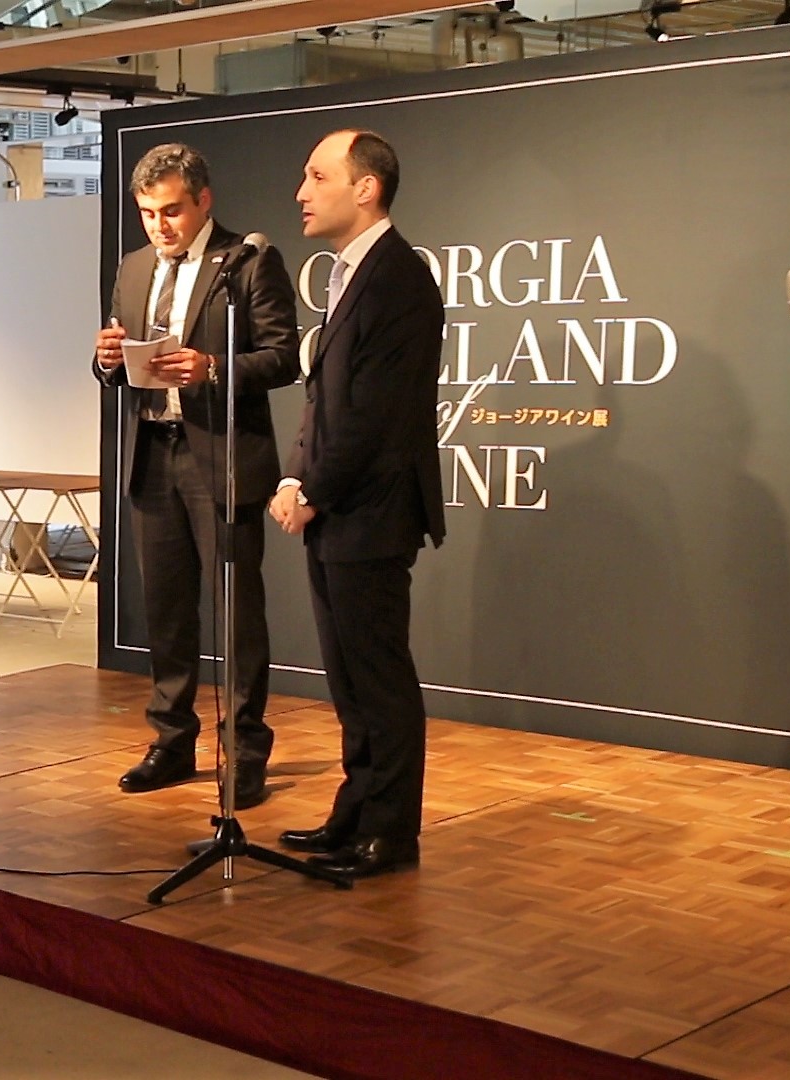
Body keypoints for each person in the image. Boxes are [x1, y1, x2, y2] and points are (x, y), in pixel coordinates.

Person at [92, 143, 301, 803]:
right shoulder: (132, 268)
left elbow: (285, 357)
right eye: (148, 213)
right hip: (151, 451)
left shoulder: (247, 260)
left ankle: (244, 752)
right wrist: (105, 360)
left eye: (172, 211)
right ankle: (172, 742)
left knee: (236, 613)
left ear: (204, 201)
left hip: (223, 455)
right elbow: (113, 358)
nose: (160, 225)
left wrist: (212, 368)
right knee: (167, 610)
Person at [270, 130, 446, 879]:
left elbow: (375, 417)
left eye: (318, 177)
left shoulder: (398, 278)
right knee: (347, 680)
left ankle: (391, 833)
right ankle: (356, 812)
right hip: (338, 510)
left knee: (378, 678)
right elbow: (325, 399)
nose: (302, 193)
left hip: (371, 513)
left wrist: (313, 491)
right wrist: (293, 478)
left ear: (366, 188)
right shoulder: (350, 273)